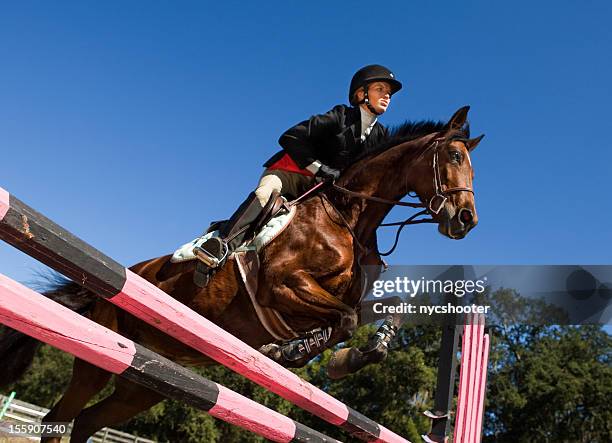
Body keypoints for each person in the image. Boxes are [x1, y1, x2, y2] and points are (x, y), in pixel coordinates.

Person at [197, 64, 402, 269]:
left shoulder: (380, 136)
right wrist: (320, 169)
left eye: (389, 93)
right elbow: (289, 137)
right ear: (360, 94)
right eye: (380, 89)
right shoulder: (340, 116)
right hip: (290, 173)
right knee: (264, 195)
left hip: (320, 189)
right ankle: (220, 244)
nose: (387, 96)